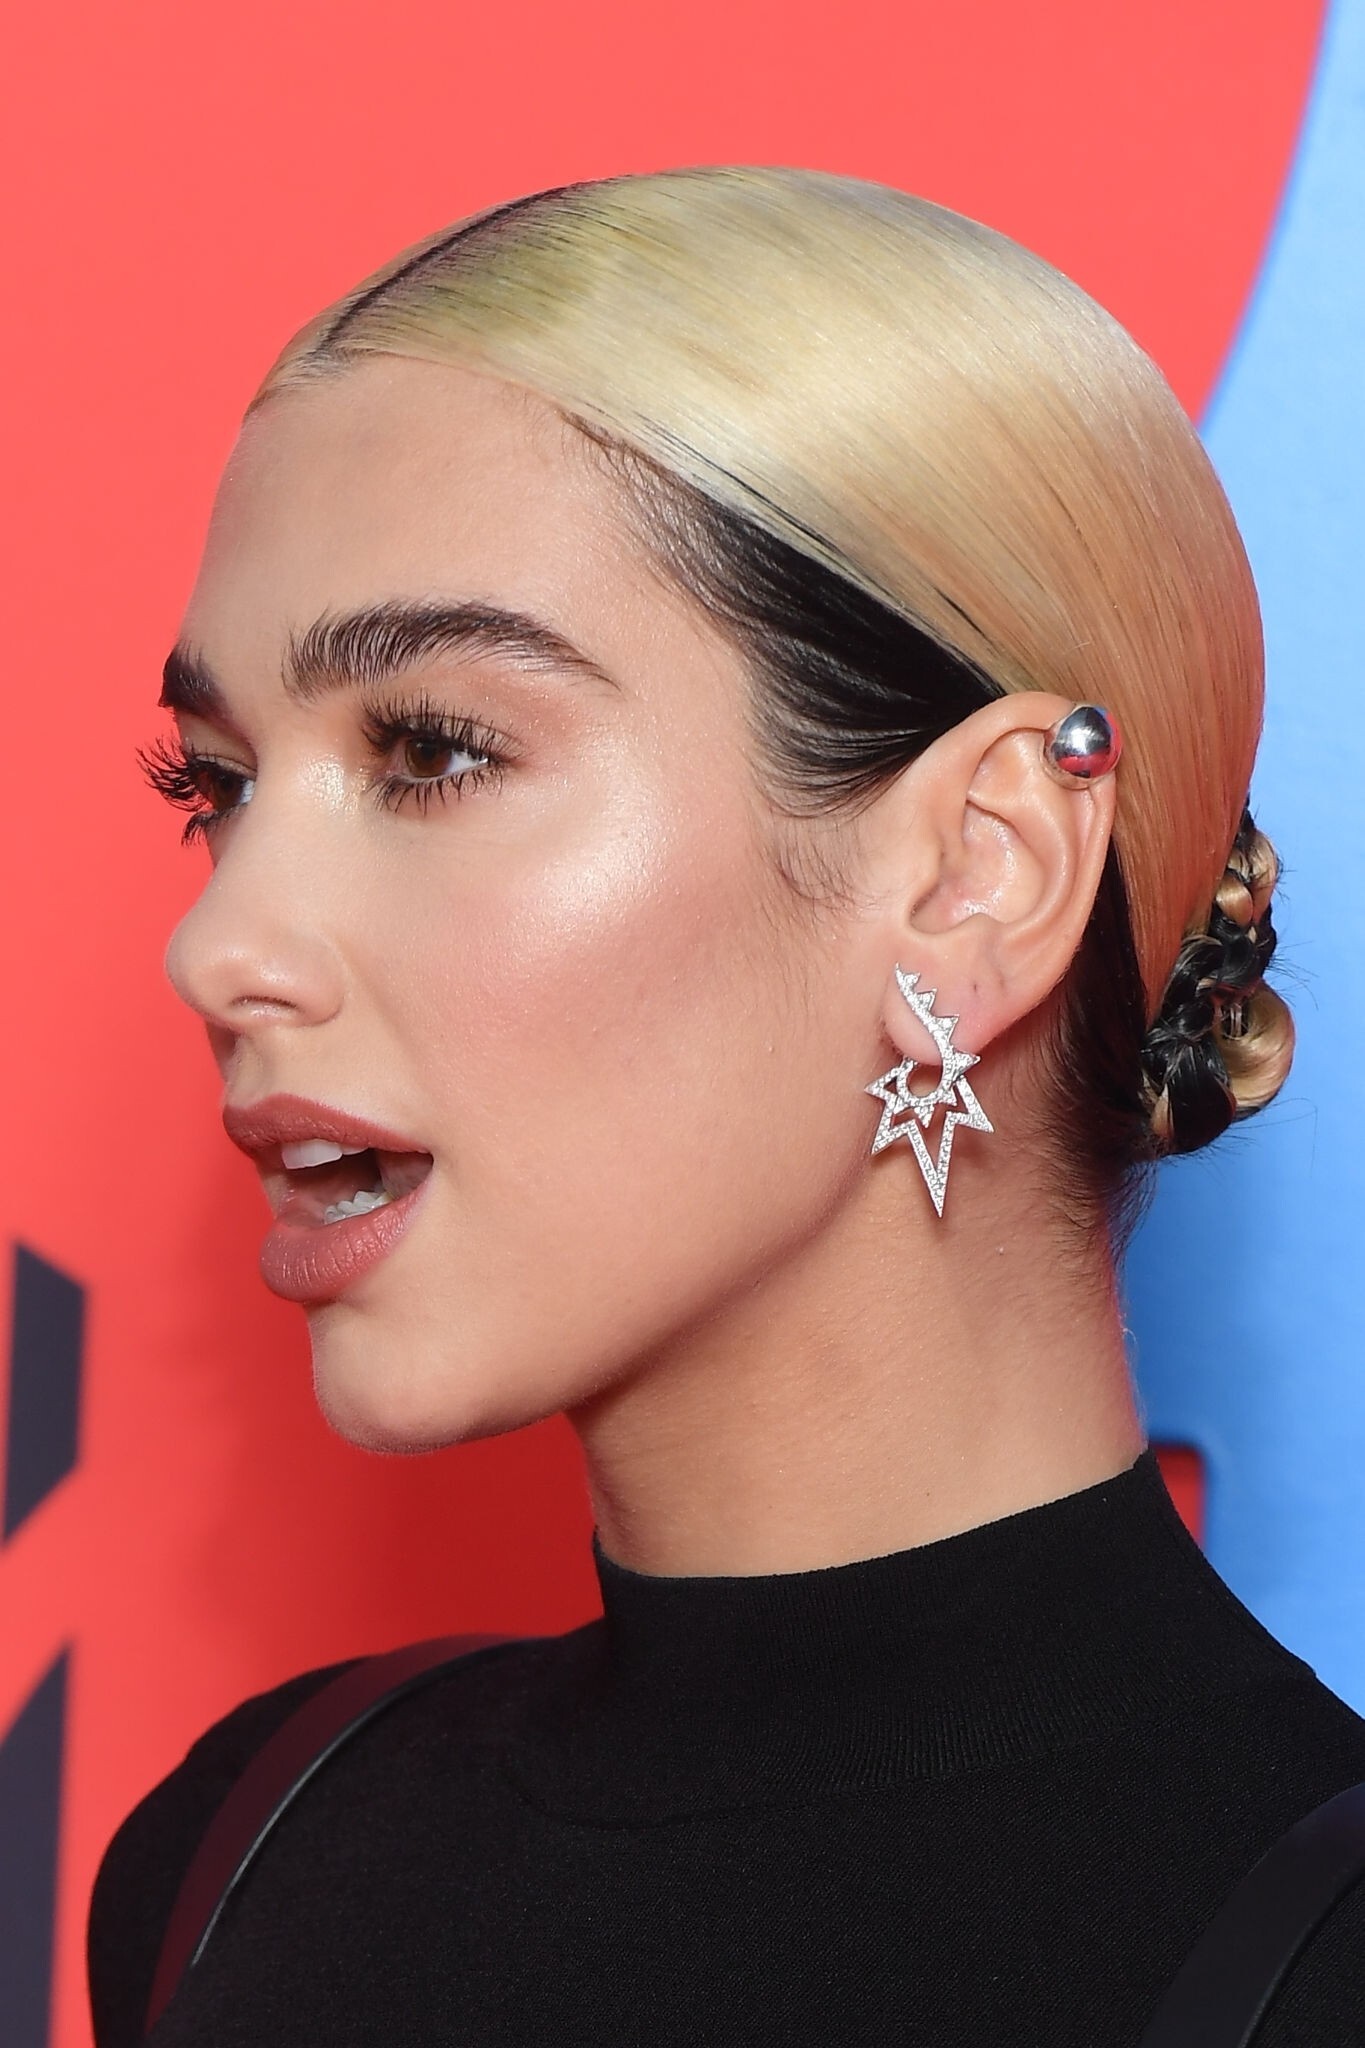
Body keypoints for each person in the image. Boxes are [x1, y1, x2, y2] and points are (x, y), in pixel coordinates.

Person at [88, 168, 1365, 2045]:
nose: (222, 948)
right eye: (214, 786)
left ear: (980, 873)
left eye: (434, 750)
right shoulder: (245, 1860)